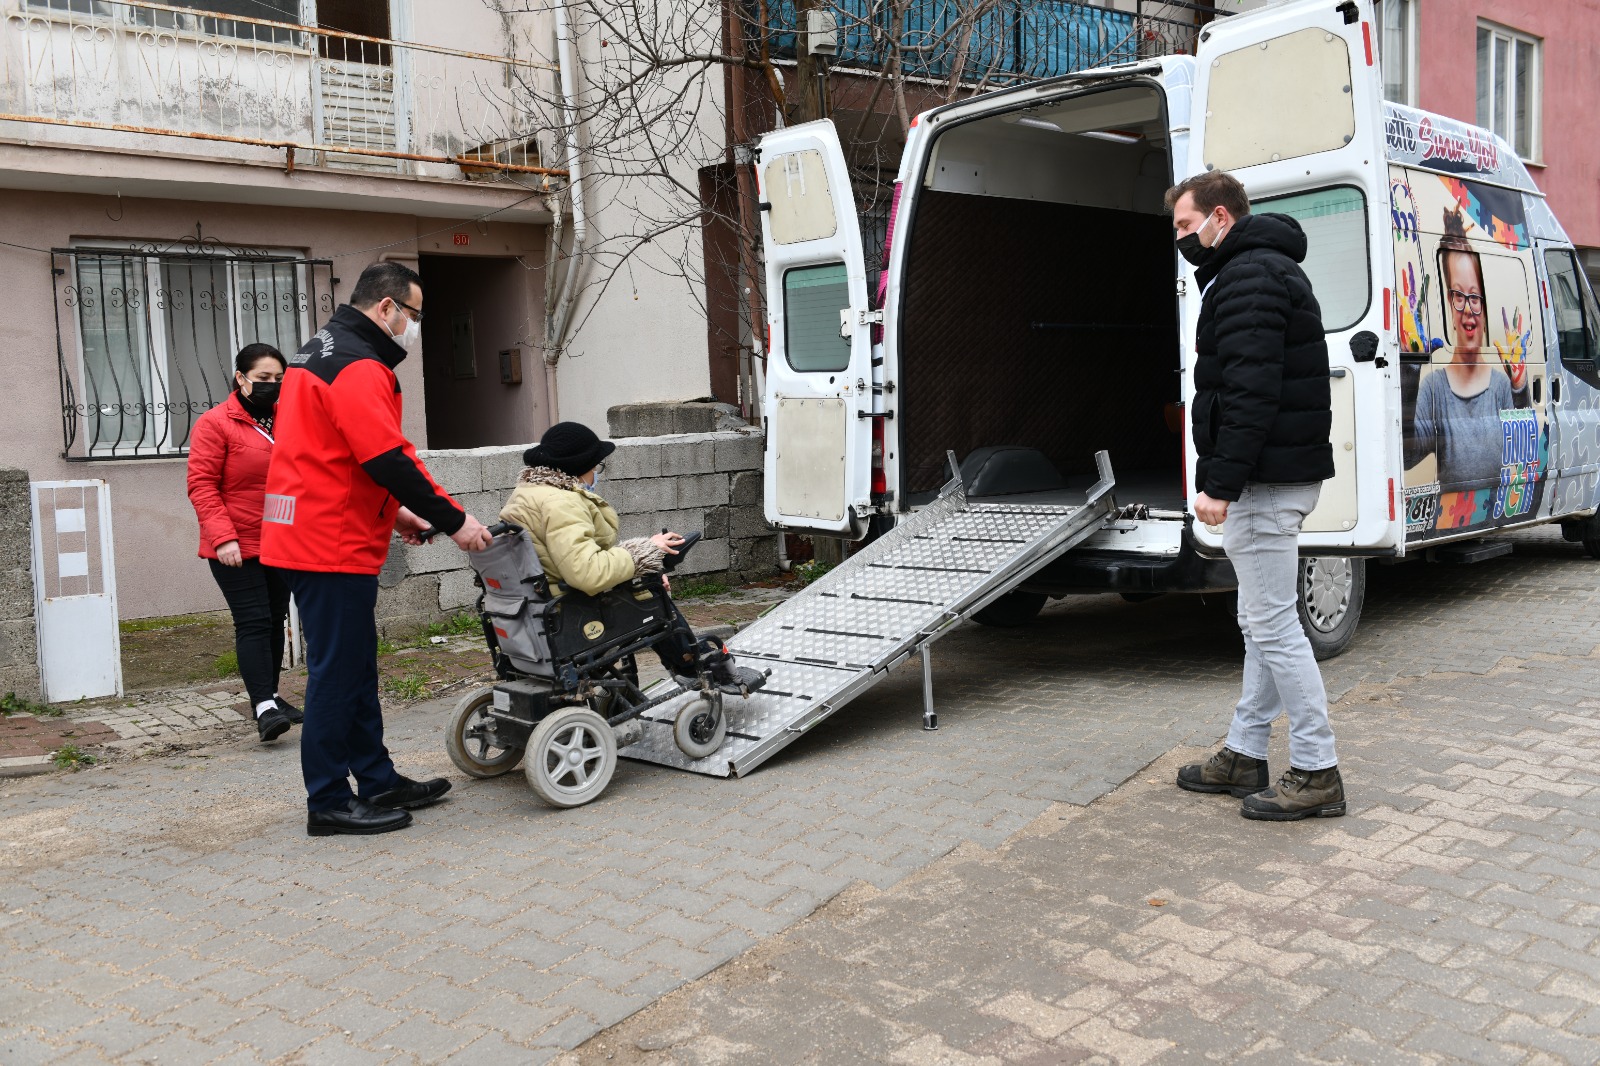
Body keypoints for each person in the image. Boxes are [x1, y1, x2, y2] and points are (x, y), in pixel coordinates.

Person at [261, 261, 493, 837]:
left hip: (313, 530)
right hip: (328, 544)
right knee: (339, 676)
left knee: (355, 669)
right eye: (413, 315)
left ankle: (376, 776)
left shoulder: (317, 351)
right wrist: (456, 520)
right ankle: (329, 800)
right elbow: (386, 457)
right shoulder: (358, 365)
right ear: (385, 308)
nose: (414, 328)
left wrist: (396, 516)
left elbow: (329, 457)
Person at [1165, 170, 1345, 821]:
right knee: (1263, 621)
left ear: (1220, 216)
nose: (1183, 240)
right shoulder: (1256, 270)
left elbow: (1251, 390)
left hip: (1265, 480)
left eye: (1187, 226)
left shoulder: (1248, 277)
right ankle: (1244, 753)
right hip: (1272, 475)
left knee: (1270, 623)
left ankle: (1317, 768)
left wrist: (1220, 482)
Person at [499, 421, 765, 691]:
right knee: (650, 595)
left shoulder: (526, 494)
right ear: (580, 467)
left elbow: (566, 559)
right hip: (570, 608)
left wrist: (644, 557)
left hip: (538, 601)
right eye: (595, 466)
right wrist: (645, 553)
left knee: (646, 578)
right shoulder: (561, 503)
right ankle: (693, 665)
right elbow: (588, 573)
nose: (596, 474)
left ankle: (684, 663)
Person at [186, 343, 301, 744]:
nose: (272, 386)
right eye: (263, 379)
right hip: (234, 544)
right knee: (252, 622)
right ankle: (264, 708)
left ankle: (269, 695)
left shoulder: (285, 419)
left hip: (279, 539)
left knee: (274, 621)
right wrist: (223, 538)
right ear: (240, 378)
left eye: (278, 380)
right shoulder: (215, 424)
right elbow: (202, 486)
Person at [1403, 209, 1523, 492]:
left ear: (1485, 302)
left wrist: (1520, 388)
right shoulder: (1433, 388)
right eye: (1459, 296)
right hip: (1451, 516)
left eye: (1475, 296)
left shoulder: (1502, 386)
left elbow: (1522, 449)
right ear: (1448, 300)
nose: (1468, 309)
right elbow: (1407, 456)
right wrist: (1408, 369)